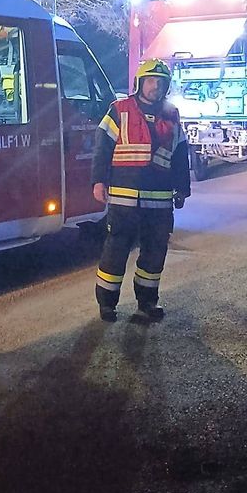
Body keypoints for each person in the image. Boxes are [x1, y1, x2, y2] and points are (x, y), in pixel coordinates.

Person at [91, 59, 191, 322]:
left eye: (160, 82)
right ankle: (107, 304)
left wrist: (182, 189)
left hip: (159, 202)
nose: (155, 86)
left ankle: (146, 303)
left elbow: (181, 154)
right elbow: (102, 148)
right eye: (150, 81)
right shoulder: (119, 110)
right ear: (139, 83)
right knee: (116, 250)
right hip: (125, 200)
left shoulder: (172, 115)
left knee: (155, 251)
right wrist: (98, 181)